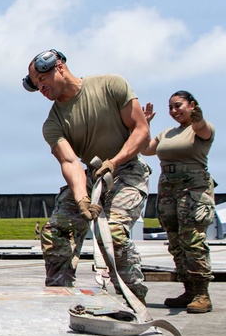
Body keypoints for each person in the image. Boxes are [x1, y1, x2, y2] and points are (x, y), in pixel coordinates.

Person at [23, 49, 151, 301]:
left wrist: (114, 162)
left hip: (126, 171)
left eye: (42, 79)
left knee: (112, 232)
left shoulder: (111, 85)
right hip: (91, 177)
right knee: (57, 230)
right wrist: (82, 198)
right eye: (36, 85)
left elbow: (141, 130)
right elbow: (70, 162)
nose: (41, 88)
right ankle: (60, 296)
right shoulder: (53, 123)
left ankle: (133, 300)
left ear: (59, 67)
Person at [141, 92, 215, 313]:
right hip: (168, 189)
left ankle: (202, 294)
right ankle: (189, 291)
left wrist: (197, 118)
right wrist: (145, 125)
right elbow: (146, 149)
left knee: (192, 240)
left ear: (192, 105)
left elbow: (203, 128)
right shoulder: (167, 133)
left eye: (178, 106)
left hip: (193, 188)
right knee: (175, 242)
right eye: (170, 107)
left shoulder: (200, 129)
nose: (174, 111)